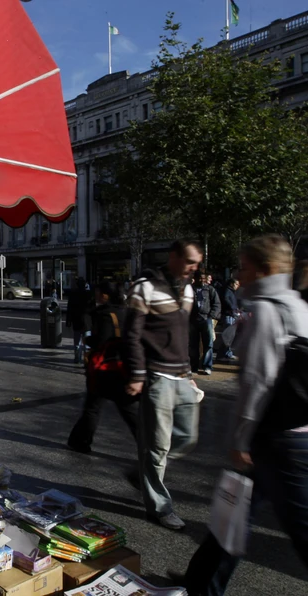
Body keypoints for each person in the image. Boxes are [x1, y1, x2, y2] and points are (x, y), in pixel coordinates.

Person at [184, 235, 308, 595]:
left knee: (299, 527)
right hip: (291, 432)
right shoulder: (297, 304)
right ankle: (200, 585)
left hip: (278, 439)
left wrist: (240, 439)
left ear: (264, 270)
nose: (238, 275)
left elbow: (257, 382)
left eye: (244, 267)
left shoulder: (267, 311)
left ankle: (201, 586)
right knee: (235, 513)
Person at [124, 240, 203, 531]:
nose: (194, 268)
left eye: (197, 263)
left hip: (181, 375)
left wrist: (189, 370)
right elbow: (131, 334)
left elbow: (184, 335)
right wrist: (137, 374)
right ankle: (160, 507)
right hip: (157, 376)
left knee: (187, 437)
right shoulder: (144, 288)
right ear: (173, 257)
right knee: (157, 447)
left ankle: (143, 472)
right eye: (190, 261)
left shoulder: (188, 290)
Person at [67, 281, 138, 453]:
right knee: (126, 409)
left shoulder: (105, 314)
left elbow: (101, 341)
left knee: (93, 408)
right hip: (122, 366)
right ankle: (147, 442)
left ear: (105, 295)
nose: (96, 295)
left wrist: (88, 340)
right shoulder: (126, 312)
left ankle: (81, 441)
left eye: (98, 292)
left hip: (104, 369)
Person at [189, 272, 221, 375]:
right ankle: (193, 366)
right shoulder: (189, 289)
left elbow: (216, 304)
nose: (202, 280)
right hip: (193, 319)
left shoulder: (210, 289)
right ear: (195, 278)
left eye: (203, 278)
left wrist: (211, 316)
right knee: (193, 344)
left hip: (206, 318)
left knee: (208, 344)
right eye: (200, 278)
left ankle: (207, 366)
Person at [66, 278, 91, 364]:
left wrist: (68, 321)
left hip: (76, 321)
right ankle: (87, 360)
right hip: (87, 322)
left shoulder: (73, 294)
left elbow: (69, 309)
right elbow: (93, 309)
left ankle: (77, 358)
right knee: (87, 343)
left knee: (77, 342)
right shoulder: (89, 294)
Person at [218, 278, 241, 361]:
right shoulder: (227, 291)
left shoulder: (231, 292)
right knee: (227, 335)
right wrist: (233, 308)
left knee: (230, 336)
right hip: (228, 314)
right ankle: (222, 355)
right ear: (231, 284)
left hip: (231, 314)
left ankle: (228, 353)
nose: (237, 286)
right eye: (236, 284)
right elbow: (226, 300)